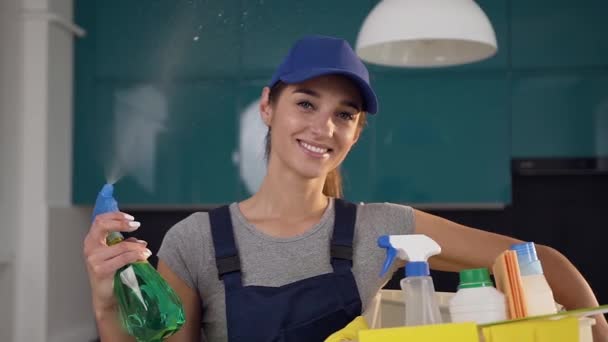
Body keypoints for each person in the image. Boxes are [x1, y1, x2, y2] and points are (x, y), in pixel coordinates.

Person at [83, 35, 608, 342]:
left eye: (344, 115)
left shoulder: (383, 227)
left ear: (357, 133)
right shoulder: (195, 239)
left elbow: (544, 262)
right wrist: (109, 307)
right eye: (306, 103)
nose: (323, 127)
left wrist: (591, 331)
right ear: (268, 107)